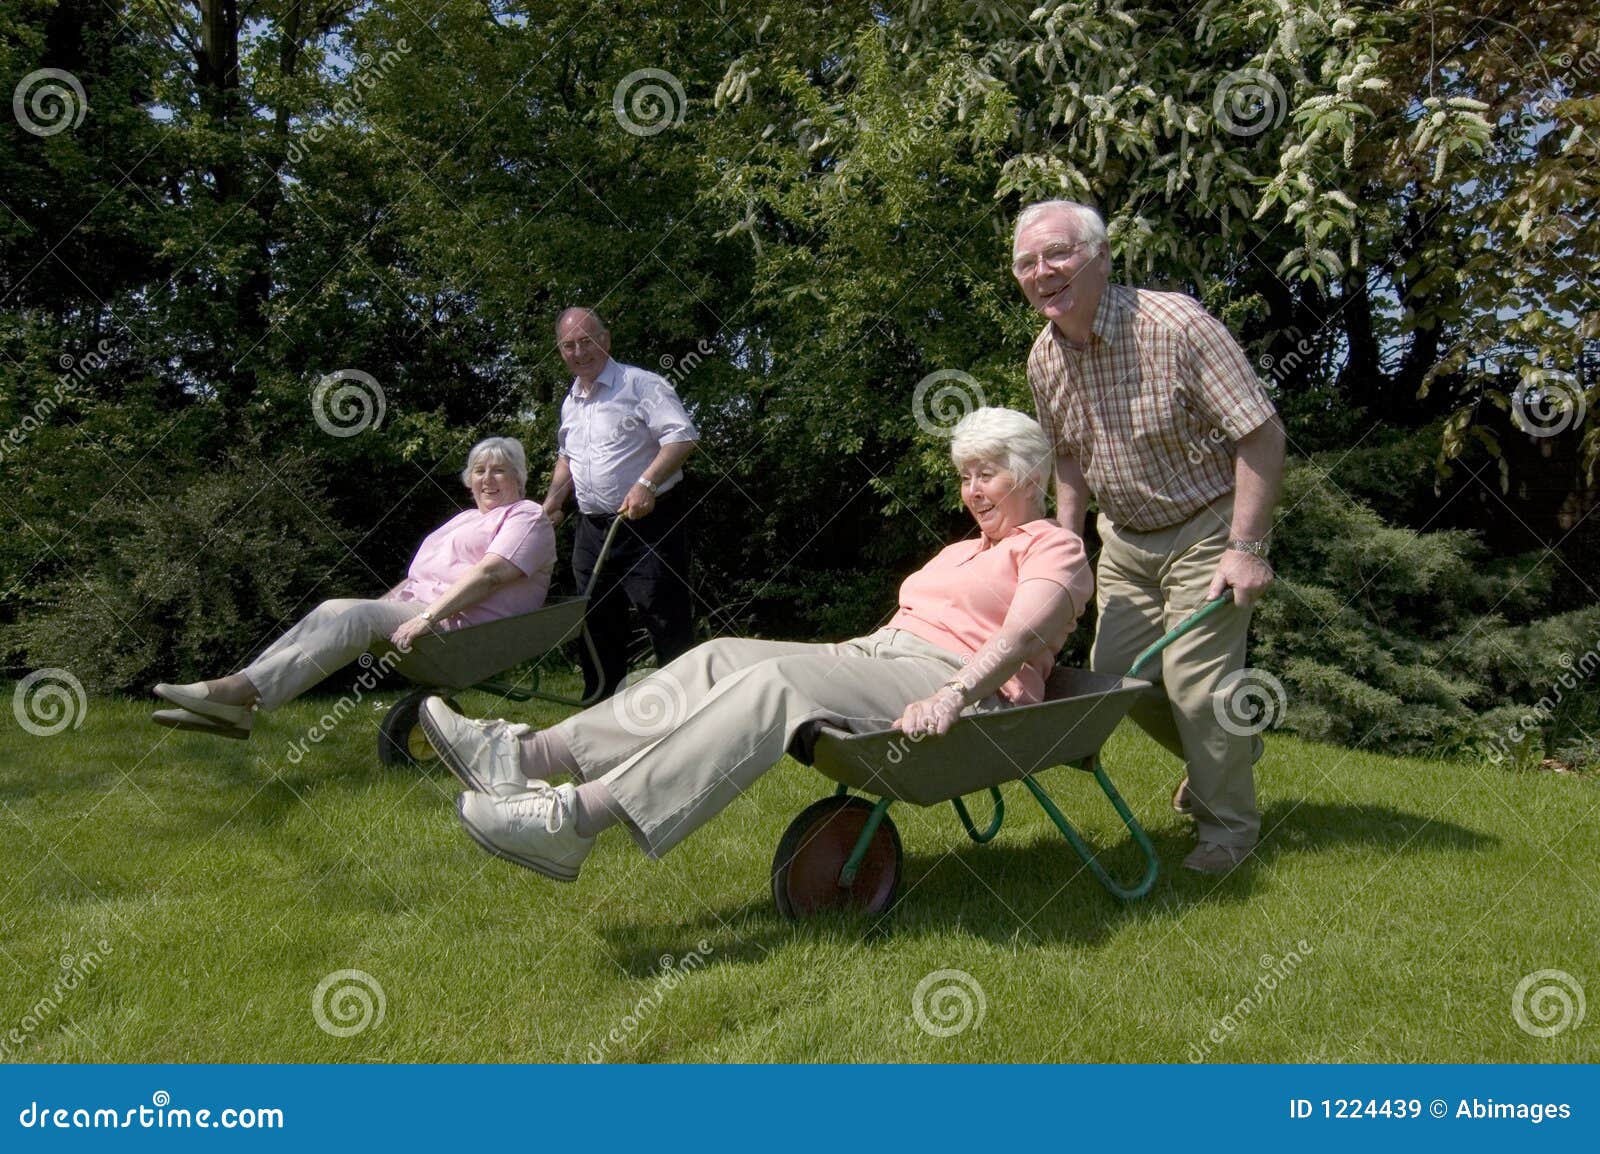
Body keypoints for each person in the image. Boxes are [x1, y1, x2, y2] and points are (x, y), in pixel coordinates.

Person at [421, 408, 1094, 882]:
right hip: (881, 656)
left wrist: (954, 694)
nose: (971, 491)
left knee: (776, 689)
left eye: (988, 475)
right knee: (720, 656)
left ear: (1030, 476)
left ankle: (573, 823)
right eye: (965, 476)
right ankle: (523, 756)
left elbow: (1021, 634)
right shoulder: (963, 548)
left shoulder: (1053, 546)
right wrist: (854, 653)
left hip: (955, 684)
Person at [1011, 198, 1286, 875]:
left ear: (1101, 257)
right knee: (1115, 683)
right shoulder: (1044, 357)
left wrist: (1246, 549)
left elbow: (1262, 434)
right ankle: (1227, 753)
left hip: (1207, 526)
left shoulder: (1176, 327)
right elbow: (1069, 455)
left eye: (1058, 255)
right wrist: (1065, 550)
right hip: (1125, 540)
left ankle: (1227, 833)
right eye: (1026, 263)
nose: (1043, 272)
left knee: (1198, 688)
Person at [150, 437, 556, 740]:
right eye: (480, 471)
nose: (487, 479)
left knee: (358, 615)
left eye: (499, 470)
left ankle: (236, 693)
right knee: (334, 608)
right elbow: (416, 580)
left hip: (465, 626)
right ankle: (240, 701)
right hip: (425, 611)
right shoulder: (464, 519)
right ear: (469, 480)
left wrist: (425, 616)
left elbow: (490, 575)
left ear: (518, 477)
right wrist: (374, 609)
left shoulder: (527, 516)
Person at [540, 307, 699, 701]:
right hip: (592, 529)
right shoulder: (571, 401)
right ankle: (600, 708)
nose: (579, 351)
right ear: (560, 351)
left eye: (586, 341)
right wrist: (554, 500)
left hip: (649, 523)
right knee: (594, 621)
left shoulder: (641, 385)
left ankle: (693, 708)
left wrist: (646, 482)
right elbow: (568, 458)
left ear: (605, 340)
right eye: (568, 345)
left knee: (664, 616)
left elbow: (682, 437)